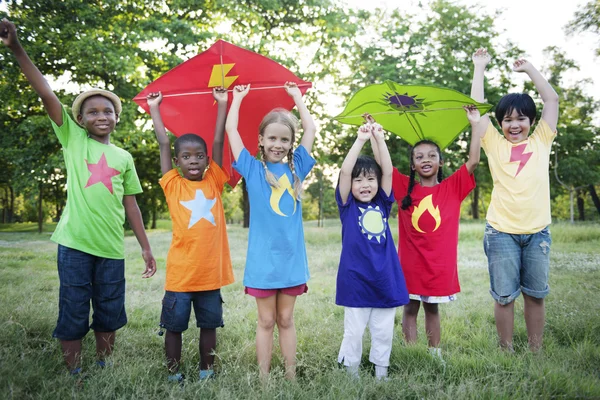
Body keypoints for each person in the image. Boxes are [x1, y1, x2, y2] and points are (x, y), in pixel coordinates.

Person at [0, 18, 156, 375]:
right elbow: (47, 93)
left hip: (111, 249)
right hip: (74, 246)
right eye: (92, 111)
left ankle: (102, 364)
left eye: (107, 111)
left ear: (117, 117)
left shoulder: (124, 158)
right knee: (73, 306)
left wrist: (145, 246)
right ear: (80, 119)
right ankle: (74, 371)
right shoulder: (73, 140)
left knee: (109, 308)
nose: (101, 115)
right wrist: (17, 49)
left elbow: (130, 203)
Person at [225, 82, 316, 380]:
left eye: (285, 139)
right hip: (263, 263)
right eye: (272, 138)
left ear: (291, 143)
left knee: (286, 319)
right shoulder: (251, 170)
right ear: (261, 140)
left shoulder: (297, 169)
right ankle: (264, 379)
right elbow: (232, 132)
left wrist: (297, 99)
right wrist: (236, 99)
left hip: (291, 261)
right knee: (266, 322)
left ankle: (290, 376)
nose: (278, 144)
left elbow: (311, 130)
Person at [471, 48, 559, 352]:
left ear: (531, 121)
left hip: (537, 233)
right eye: (507, 120)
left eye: (521, 118)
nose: (514, 125)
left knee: (535, 295)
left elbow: (551, 100)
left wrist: (530, 69)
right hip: (501, 233)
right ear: (501, 124)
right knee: (504, 296)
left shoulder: (542, 139)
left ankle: (535, 350)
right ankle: (506, 349)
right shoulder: (493, 142)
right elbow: (477, 109)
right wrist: (479, 68)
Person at [147, 88, 234, 383]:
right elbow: (162, 142)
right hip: (181, 276)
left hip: (210, 275)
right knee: (174, 327)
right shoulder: (172, 185)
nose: (193, 161)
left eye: (199, 156)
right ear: (177, 161)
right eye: (186, 156)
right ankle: (173, 373)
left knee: (209, 326)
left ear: (207, 160)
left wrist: (222, 104)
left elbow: (219, 140)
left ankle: (207, 371)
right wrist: (154, 108)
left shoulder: (214, 180)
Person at [389, 101, 484, 363]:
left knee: (432, 309)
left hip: (437, 267)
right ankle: (410, 354)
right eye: (419, 157)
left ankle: (434, 355)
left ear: (440, 162)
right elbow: (384, 166)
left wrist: (475, 124)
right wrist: (375, 135)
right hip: (410, 265)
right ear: (412, 165)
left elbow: (474, 160)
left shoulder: (452, 188)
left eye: (431, 155)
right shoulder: (403, 189)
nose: (425, 160)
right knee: (409, 309)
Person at [336, 115, 409, 381]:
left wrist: (379, 138)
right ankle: (352, 371)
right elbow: (345, 171)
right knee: (354, 330)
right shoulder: (347, 206)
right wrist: (360, 139)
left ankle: (381, 371)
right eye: (359, 181)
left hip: (384, 277)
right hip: (356, 278)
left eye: (369, 179)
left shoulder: (382, 203)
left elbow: (387, 170)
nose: (364, 185)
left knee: (383, 329)